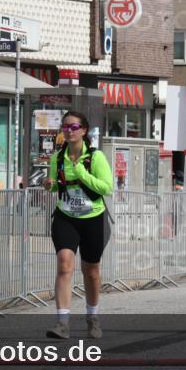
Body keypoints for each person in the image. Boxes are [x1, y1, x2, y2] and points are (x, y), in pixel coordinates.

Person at [43, 111, 114, 340]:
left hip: (93, 218)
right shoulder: (58, 157)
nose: (68, 131)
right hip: (67, 217)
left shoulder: (96, 157)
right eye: (65, 127)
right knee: (64, 265)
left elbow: (106, 188)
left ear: (83, 130)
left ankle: (92, 317)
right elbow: (56, 186)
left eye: (73, 127)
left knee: (91, 271)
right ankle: (62, 323)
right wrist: (50, 184)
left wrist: (81, 172)